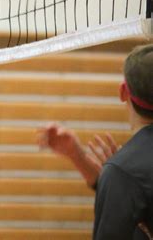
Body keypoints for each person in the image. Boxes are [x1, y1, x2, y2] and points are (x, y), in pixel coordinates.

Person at [38, 43, 153, 239]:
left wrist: (119, 174)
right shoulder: (125, 172)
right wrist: (83, 160)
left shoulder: (124, 171)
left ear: (123, 92)